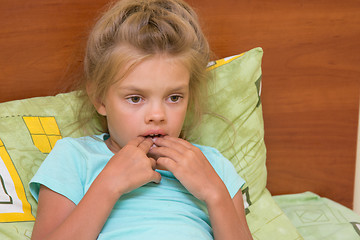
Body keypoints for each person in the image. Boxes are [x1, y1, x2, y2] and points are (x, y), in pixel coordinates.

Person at [29, 0, 253, 239]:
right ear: (100, 100)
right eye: (135, 98)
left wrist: (215, 194)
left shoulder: (213, 166)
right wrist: (108, 185)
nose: (157, 115)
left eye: (174, 97)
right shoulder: (75, 157)